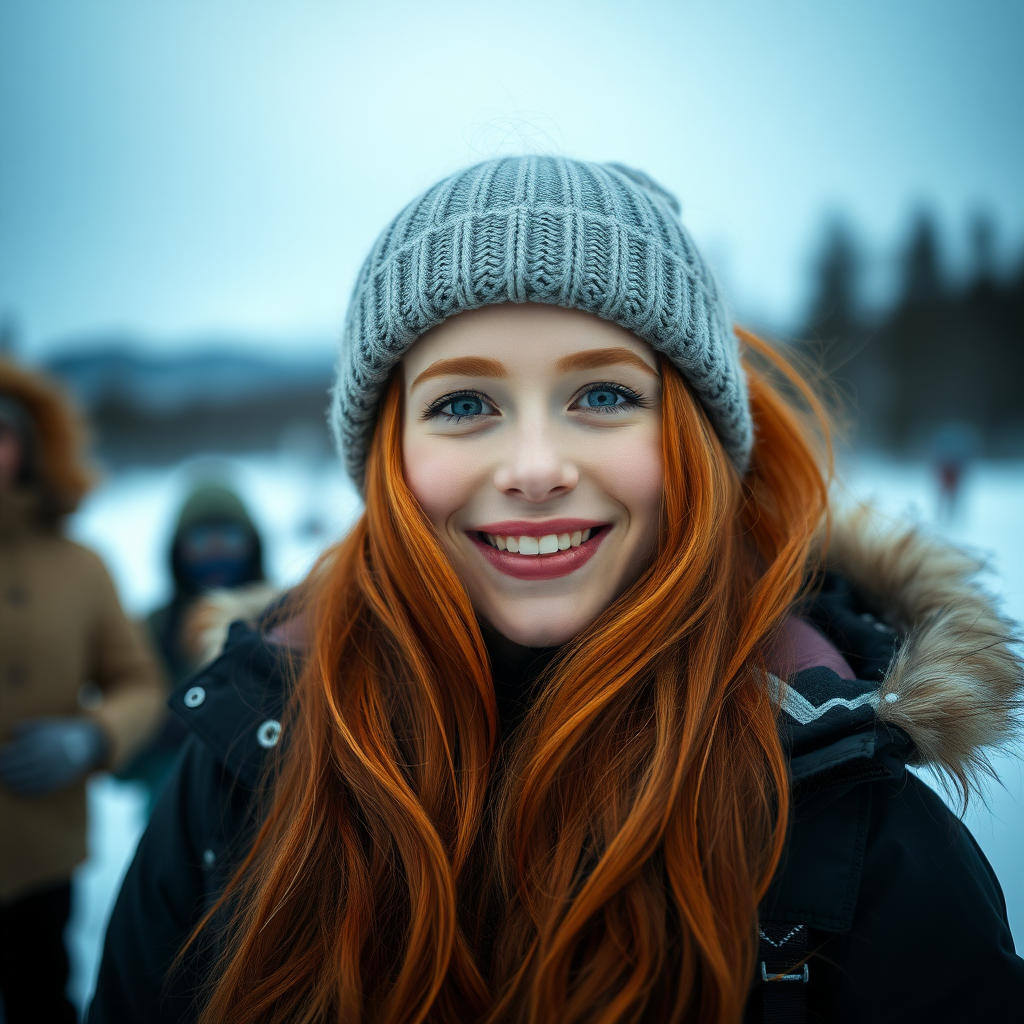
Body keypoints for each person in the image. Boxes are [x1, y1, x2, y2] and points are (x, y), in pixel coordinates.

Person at [89, 158, 1024, 1024]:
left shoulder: (854, 824)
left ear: (691, 439)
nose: (535, 468)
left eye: (603, 396)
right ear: (389, 453)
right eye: (463, 405)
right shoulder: (250, 761)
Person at [0, 361, 164, 1023]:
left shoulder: (81, 566)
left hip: (41, 852)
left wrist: (92, 736)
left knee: (42, 1000)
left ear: (30, 448)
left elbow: (140, 682)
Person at [116, 483, 267, 814]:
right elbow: (121, 760)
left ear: (253, 544)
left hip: (267, 817)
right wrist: (158, 730)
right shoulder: (153, 628)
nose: (215, 553)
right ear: (176, 551)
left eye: (229, 538)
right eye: (199, 541)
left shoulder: (283, 619)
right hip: (171, 812)